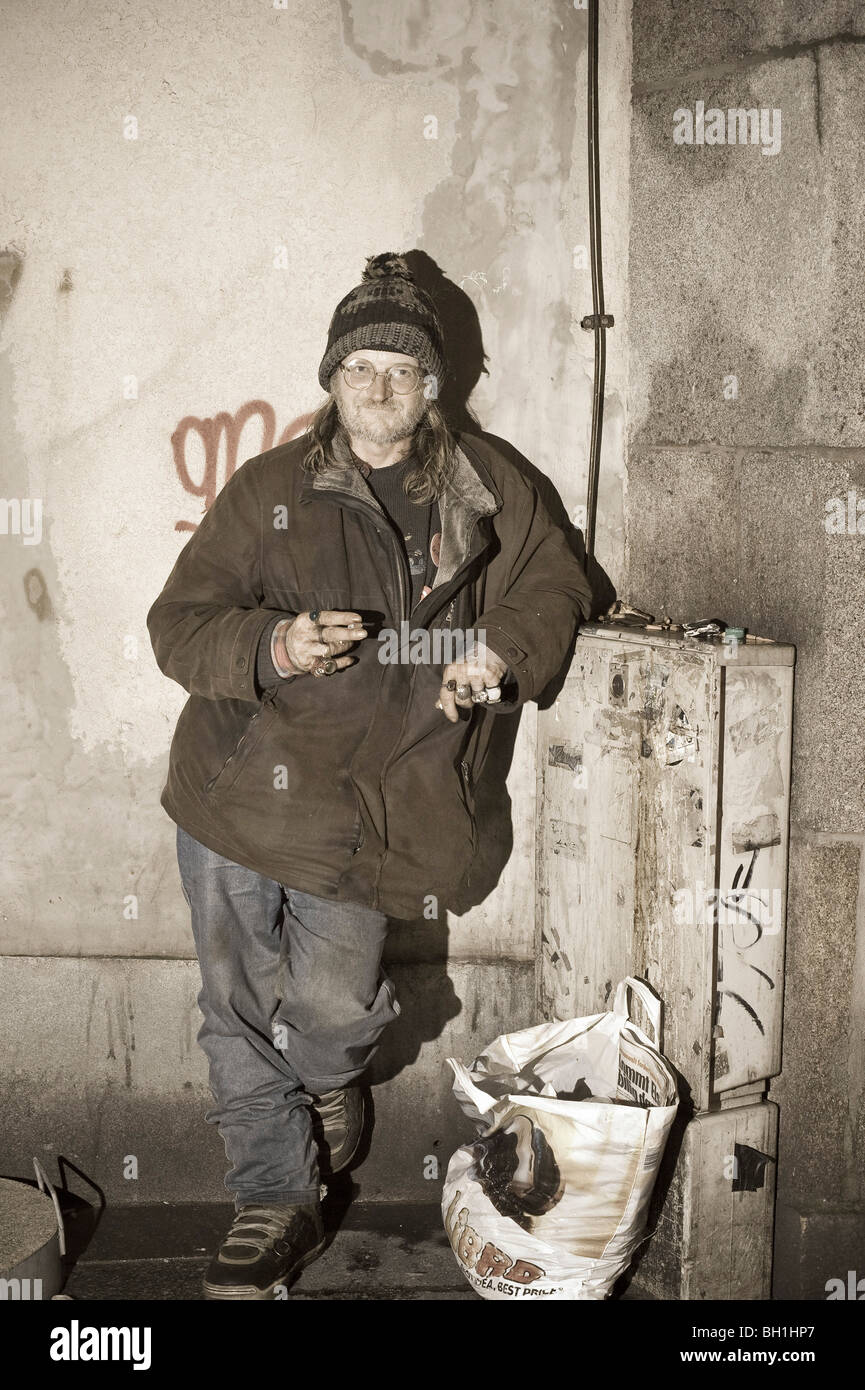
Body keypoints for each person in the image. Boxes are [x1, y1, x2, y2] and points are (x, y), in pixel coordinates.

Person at [147, 251, 592, 1299]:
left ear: (434, 386)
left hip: (378, 812)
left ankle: (331, 1083)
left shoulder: (490, 487)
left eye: (400, 368)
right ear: (331, 381)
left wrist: (502, 655)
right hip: (236, 794)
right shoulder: (272, 490)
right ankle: (272, 1199)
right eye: (358, 369)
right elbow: (178, 625)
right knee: (236, 1002)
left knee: (337, 1009)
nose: (378, 388)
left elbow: (555, 581)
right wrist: (276, 648)